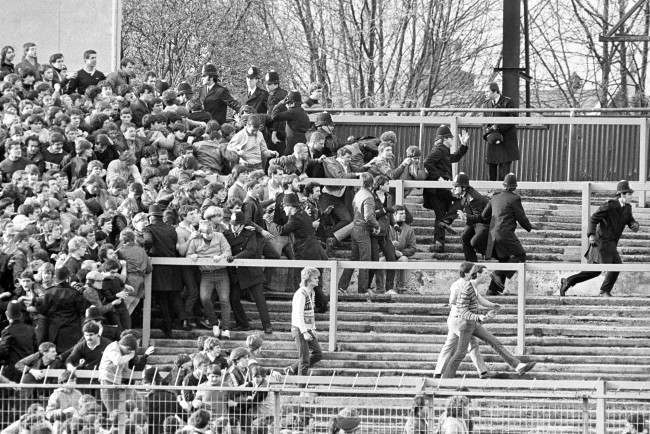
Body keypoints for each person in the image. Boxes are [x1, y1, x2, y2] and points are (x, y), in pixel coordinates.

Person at [442, 262, 535, 378]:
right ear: (477, 274)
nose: (488, 275)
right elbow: (463, 310)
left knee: (494, 342)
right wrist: (480, 316)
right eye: (485, 273)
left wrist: (491, 307)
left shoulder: (472, 287)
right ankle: (445, 378)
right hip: (464, 323)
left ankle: (518, 366)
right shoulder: (466, 287)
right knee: (460, 353)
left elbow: (479, 302)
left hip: (471, 323)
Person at [560, 180, 639, 297]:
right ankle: (604, 290)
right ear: (622, 194)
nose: (631, 196)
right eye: (629, 194)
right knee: (616, 265)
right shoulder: (609, 205)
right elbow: (593, 219)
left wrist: (634, 225)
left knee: (596, 271)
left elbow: (630, 220)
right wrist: (591, 234)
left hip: (611, 242)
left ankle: (568, 281)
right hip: (601, 241)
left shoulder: (628, 208)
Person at [434, 263, 492, 379]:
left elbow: (479, 299)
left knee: (450, 345)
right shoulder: (458, 285)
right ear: (466, 273)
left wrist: (492, 305)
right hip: (460, 320)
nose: (474, 273)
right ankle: (483, 371)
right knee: (472, 344)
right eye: (472, 271)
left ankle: (439, 371)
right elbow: (452, 301)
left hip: (461, 319)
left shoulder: (470, 285)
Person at [273, 193, 328, 312]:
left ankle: (317, 305)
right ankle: (321, 305)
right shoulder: (302, 213)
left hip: (307, 253)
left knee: (303, 280)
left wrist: (270, 222)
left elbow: (282, 230)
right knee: (311, 280)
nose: (284, 209)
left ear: (291, 206)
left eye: (285, 206)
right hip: (313, 250)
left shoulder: (295, 218)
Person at [482, 173, 532, 295]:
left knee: (504, 259)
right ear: (514, 186)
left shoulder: (494, 197)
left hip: (492, 235)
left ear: (503, 185)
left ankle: (493, 290)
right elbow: (521, 217)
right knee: (520, 255)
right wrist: (529, 227)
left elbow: (484, 215)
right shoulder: (515, 199)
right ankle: (497, 273)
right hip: (505, 234)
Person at [423, 125, 469, 253]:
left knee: (450, 209)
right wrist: (439, 178)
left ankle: (440, 240)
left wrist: (463, 145)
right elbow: (427, 163)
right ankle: (439, 243)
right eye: (451, 138)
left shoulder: (443, 150)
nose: (452, 141)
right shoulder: (439, 149)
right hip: (435, 191)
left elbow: (455, 158)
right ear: (445, 139)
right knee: (441, 215)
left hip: (441, 191)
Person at [224, 211, 273, 334]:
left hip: (251, 272)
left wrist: (235, 257)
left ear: (242, 225)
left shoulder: (250, 233)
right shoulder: (227, 234)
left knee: (259, 299)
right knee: (234, 298)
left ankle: (267, 326)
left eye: (236, 225)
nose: (233, 227)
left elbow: (251, 250)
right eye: (232, 224)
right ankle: (243, 324)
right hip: (237, 274)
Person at [143, 204, 183, 338]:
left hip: (158, 270)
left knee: (162, 301)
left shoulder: (148, 229)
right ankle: (173, 325)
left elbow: (148, 241)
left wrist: (146, 252)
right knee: (170, 299)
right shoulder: (172, 229)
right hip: (172, 269)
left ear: (150, 217)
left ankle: (168, 328)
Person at [187, 219, 232, 336]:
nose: (209, 235)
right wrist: (193, 256)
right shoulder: (196, 240)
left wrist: (221, 257)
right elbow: (188, 254)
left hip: (221, 272)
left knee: (224, 299)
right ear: (201, 232)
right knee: (204, 298)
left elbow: (228, 252)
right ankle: (214, 323)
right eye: (206, 233)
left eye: (211, 232)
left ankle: (226, 328)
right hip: (206, 273)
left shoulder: (220, 236)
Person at [338, 172, 379, 294]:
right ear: (372, 184)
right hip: (363, 231)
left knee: (353, 259)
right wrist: (377, 225)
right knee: (365, 261)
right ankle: (362, 290)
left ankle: (341, 287)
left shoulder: (358, 194)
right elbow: (369, 217)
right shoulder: (368, 197)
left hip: (354, 229)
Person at [441, 172, 490, 262]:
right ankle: (471, 262)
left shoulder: (473, 198)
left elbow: (480, 217)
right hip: (474, 220)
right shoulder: (464, 194)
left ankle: (489, 254)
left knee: (475, 241)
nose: (453, 188)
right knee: (464, 237)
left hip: (485, 222)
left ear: (463, 187)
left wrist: (466, 217)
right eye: (453, 186)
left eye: (456, 186)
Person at [36, 267, 86, 353]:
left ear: (55, 277)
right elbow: (82, 311)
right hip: (72, 331)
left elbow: (42, 311)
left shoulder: (48, 292)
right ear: (68, 277)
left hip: (55, 331)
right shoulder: (75, 293)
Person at [287, 267, 323, 375]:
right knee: (304, 359)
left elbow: (310, 313)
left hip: (308, 328)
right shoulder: (301, 294)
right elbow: (298, 315)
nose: (318, 280)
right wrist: (304, 332)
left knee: (318, 354)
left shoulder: (311, 293)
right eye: (315, 278)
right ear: (308, 279)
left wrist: (312, 328)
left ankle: (292, 368)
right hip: (299, 329)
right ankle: (301, 387)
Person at [483, 82, 520, 181]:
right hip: (493, 141)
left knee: (503, 171)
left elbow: (514, 118)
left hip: (506, 141)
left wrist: (498, 127)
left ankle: (502, 193)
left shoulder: (508, 102)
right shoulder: (486, 105)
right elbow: (484, 122)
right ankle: (493, 193)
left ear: (495, 91)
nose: (485, 93)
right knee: (491, 168)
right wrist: (487, 134)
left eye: (487, 91)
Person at [98, 334, 137, 413]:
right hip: (107, 381)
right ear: (127, 347)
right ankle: (113, 424)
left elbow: (125, 370)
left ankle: (116, 423)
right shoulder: (113, 347)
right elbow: (117, 361)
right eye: (129, 350)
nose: (129, 353)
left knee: (116, 409)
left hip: (115, 382)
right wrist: (130, 355)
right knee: (113, 410)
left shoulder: (122, 353)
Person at [0, 301, 37, 382]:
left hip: (12, 373)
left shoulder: (7, 331)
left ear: (7, 314)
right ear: (21, 315)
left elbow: (3, 352)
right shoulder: (31, 329)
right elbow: (36, 349)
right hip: (28, 372)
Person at [271, 91, 311, 155]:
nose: (287, 105)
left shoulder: (292, 112)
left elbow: (274, 116)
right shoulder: (302, 112)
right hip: (302, 144)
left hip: (292, 148)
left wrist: (280, 103)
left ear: (292, 103)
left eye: (288, 103)